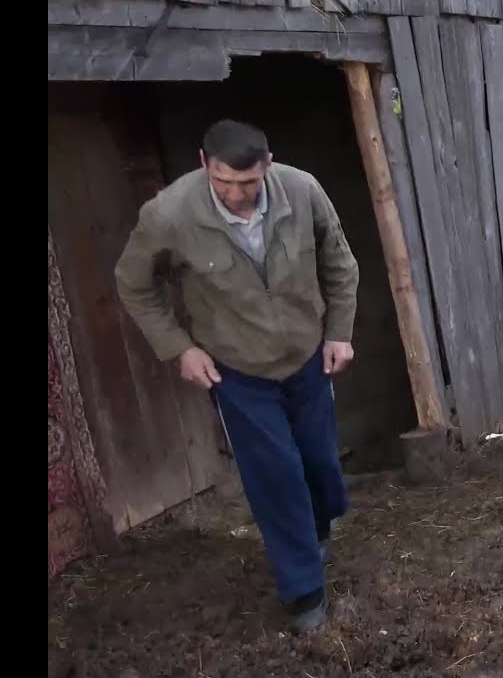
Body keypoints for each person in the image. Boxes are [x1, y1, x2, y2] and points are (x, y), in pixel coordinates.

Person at [114, 119, 360, 632]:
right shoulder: (169, 214)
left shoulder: (302, 189)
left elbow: (339, 261)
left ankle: (316, 532)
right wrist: (179, 348)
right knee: (276, 475)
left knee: (318, 462)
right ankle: (304, 592)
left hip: (306, 354)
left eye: (247, 184)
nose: (237, 194)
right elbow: (133, 285)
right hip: (239, 369)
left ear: (268, 165)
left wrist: (338, 331)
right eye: (224, 183)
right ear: (205, 165)